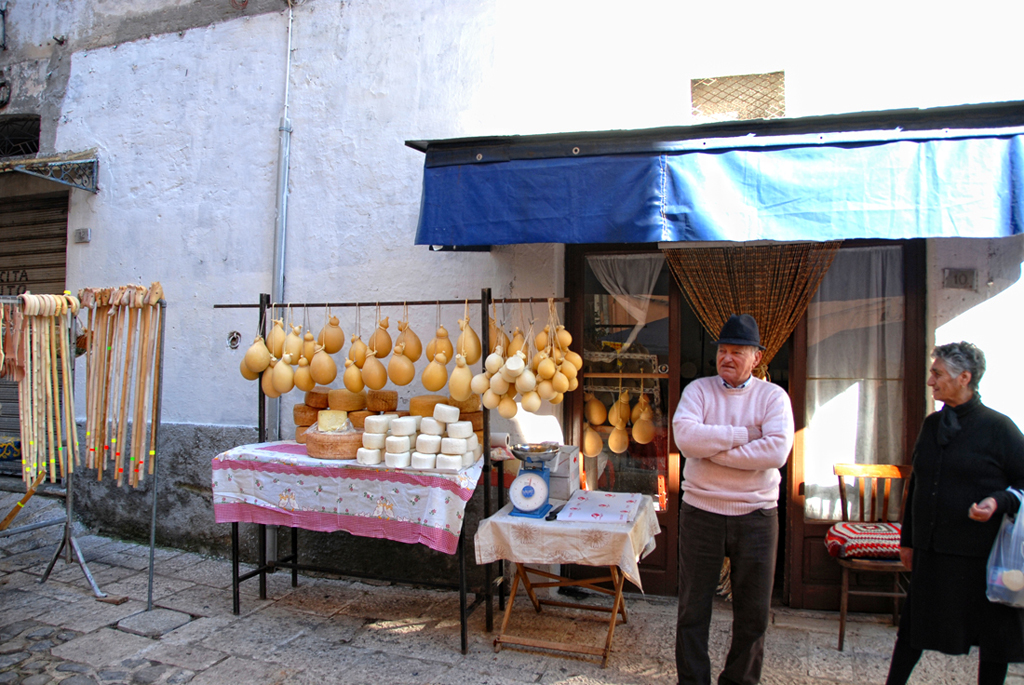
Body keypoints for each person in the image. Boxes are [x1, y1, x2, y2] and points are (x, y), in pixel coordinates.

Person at [886, 342, 1024, 685]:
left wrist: (997, 502)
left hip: (979, 556)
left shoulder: (999, 428)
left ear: (965, 378)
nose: (931, 381)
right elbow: (918, 483)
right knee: (912, 633)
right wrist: (908, 541)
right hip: (933, 553)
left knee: (993, 641)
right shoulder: (933, 425)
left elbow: (1022, 482)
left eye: (937, 374)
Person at [672, 314, 795, 685]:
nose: (727, 357)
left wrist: (713, 449)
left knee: (754, 612)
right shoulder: (698, 391)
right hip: (701, 512)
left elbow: (775, 452)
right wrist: (744, 434)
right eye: (722, 350)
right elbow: (686, 439)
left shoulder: (773, 397)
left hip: (757, 515)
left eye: (737, 351)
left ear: (756, 357)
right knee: (692, 608)